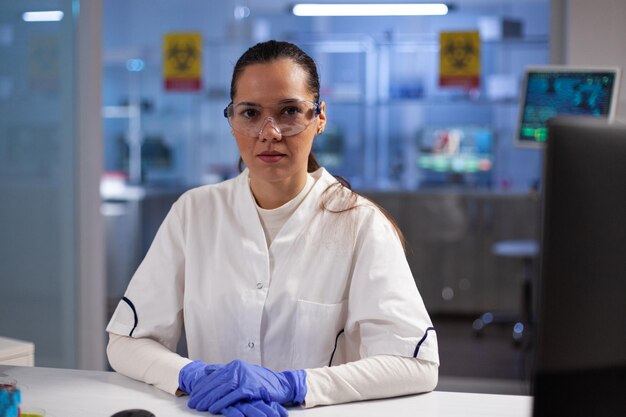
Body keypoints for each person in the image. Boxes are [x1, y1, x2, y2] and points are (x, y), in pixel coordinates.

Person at [106, 40, 439, 417]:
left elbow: (416, 364)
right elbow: (126, 341)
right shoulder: (194, 213)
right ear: (231, 120)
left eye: (290, 111)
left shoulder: (361, 225)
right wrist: (193, 375)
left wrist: (295, 386)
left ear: (320, 117)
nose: (270, 132)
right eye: (250, 113)